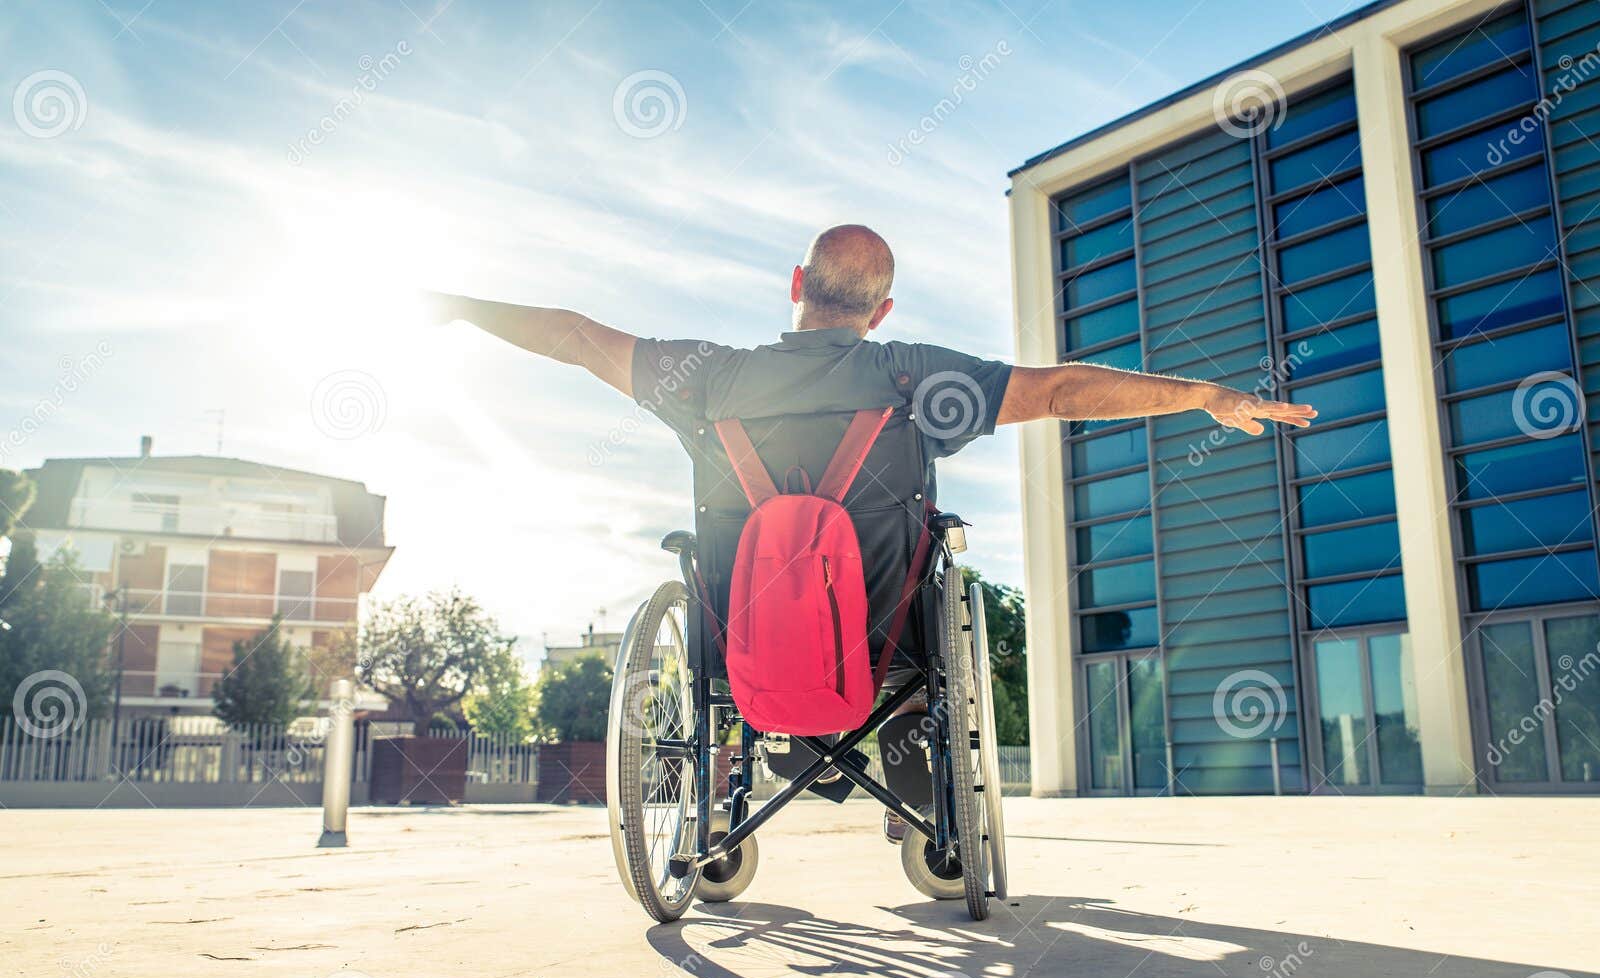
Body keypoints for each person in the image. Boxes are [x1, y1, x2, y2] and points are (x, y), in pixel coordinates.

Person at [423, 224, 1315, 838]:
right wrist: (1204, 395)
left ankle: (725, 798)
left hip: (737, 641)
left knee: (721, 592)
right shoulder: (914, 376)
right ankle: (914, 786)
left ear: (798, 287)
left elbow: (577, 336)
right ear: (879, 312)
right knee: (924, 589)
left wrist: (458, 307)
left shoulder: (707, 377)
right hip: (883, 641)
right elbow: (1059, 390)